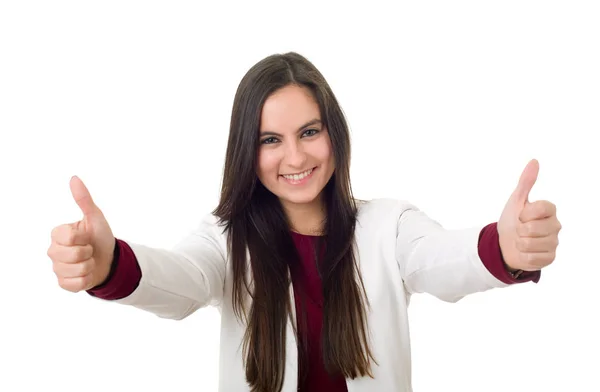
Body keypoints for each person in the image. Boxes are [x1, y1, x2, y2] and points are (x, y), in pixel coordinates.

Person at [46, 52, 562, 392]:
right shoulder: (225, 240)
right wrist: (109, 264)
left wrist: (505, 249)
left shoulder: (389, 225)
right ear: (247, 151)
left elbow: (439, 260)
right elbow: (183, 279)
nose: (294, 157)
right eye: (270, 139)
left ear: (334, 133)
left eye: (309, 131)